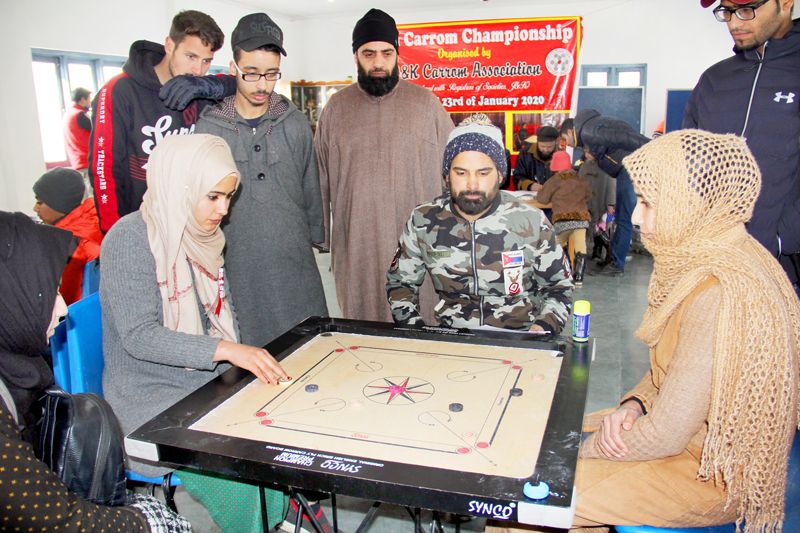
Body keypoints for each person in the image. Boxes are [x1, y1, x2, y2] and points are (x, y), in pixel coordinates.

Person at [488, 130, 799, 533]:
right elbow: (670, 376)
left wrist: (591, 450)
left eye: (649, 203)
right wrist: (633, 405)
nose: (635, 216)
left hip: (709, 473)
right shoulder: (718, 256)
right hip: (686, 443)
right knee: (543, 440)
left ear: (691, 206)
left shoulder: (719, 292)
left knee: (525, 499)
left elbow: (666, 435)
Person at [100, 134, 291, 531]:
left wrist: (237, 353)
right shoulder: (128, 238)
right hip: (147, 395)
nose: (223, 210)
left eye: (228, 197)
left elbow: (219, 311)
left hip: (204, 383)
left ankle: (270, 518)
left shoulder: (200, 235)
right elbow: (138, 336)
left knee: (282, 437)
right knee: (241, 479)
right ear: (180, 186)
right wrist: (227, 350)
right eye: (213, 197)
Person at [0, 211, 192, 532]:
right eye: (49, 294)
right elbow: (57, 521)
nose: (62, 310)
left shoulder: (16, 371)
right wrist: (144, 522)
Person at [196, 13, 327, 349]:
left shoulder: (294, 123)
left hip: (294, 263)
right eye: (251, 73)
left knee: (307, 350)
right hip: (236, 265)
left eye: (271, 74)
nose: (262, 85)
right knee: (247, 358)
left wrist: (316, 236)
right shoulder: (209, 128)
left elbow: (310, 188)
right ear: (233, 67)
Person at [315, 8, 453, 324]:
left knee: (420, 330)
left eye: (386, 53)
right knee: (364, 329)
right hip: (357, 243)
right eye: (369, 53)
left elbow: (454, 169)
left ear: (397, 55)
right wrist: (322, 234)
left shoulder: (425, 104)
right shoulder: (336, 108)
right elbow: (320, 176)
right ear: (355, 56)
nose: (378, 62)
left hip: (418, 243)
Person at [386, 115, 573, 333]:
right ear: (447, 176)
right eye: (461, 173)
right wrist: (413, 327)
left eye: (483, 173)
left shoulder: (531, 221)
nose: (472, 184)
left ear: (500, 175)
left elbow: (558, 286)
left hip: (522, 338)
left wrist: (544, 327)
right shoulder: (424, 220)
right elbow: (401, 283)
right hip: (453, 338)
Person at [684, 0, 800, 290]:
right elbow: (688, 161)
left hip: (785, 268)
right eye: (727, 11)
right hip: (714, 263)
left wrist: (784, 237)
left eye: (747, 9)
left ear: (785, 3)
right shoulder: (714, 80)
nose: (734, 23)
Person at [89, 10, 225, 233]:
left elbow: (242, 85)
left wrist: (210, 86)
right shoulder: (120, 90)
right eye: (191, 56)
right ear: (170, 45)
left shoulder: (199, 88)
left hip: (188, 223)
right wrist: (113, 236)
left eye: (207, 61)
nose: (198, 70)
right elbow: (105, 171)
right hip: (139, 225)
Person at [561, 111, 650, 277]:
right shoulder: (591, 131)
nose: (569, 145)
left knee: (624, 219)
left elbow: (626, 138)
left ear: (570, 132)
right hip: (628, 169)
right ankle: (614, 259)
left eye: (566, 140)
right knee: (620, 219)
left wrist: (653, 146)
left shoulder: (590, 131)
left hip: (631, 169)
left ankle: (617, 264)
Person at [33, 167, 103, 304]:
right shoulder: (92, 223)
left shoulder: (69, 242)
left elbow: (65, 298)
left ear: (58, 204)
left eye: (40, 202)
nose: (35, 208)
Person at [534, 150, 593, 285]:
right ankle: (578, 277)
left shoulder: (554, 181)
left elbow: (542, 199)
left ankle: (564, 271)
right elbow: (589, 195)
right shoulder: (581, 180)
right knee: (580, 247)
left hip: (563, 220)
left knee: (558, 245)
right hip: (581, 220)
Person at [61, 87, 92, 194]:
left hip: (77, 164)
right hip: (87, 163)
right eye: (89, 99)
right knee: (93, 201)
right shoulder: (80, 115)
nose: (90, 103)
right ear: (82, 99)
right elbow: (98, 133)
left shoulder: (68, 114)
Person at [513, 125, 561, 192]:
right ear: (537, 142)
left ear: (555, 143)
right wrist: (530, 185)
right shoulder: (525, 153)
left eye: (550, 147)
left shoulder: (561, 155)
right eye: (542, 146)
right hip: (529, 196)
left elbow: (567, 179)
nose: (546, 150)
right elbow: (517, 178)